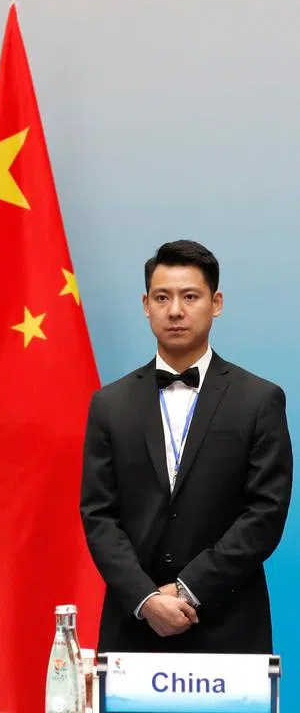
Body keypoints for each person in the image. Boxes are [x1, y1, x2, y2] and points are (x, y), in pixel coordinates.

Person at [80, 239, 293, 652]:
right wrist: (147, 599)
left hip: (230, 625)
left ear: (216, 303)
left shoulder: (259, 399)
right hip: (135, 626)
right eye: (162, 297)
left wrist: (187, 589)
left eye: (189, 296)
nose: (175, 310)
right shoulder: (109, 404)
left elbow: (265, 512)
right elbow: (98, 515)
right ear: (146, 305)